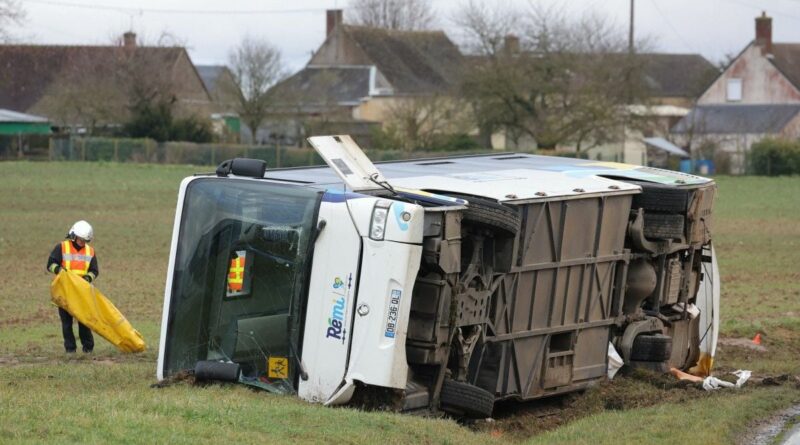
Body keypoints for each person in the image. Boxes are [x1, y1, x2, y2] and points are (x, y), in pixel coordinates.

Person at [47, 220, 98, 354]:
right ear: (73, 235)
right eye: (81, 239)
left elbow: (94, 271)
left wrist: (87, 278)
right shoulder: (62, 247)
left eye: (85, 240)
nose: (82, 242)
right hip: (65, 292)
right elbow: (50, 264)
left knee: (84, 322)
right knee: (67, 323)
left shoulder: (90, 252)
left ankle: (88, 348)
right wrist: (60, 271)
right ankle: (70, 350)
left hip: (82, 293)